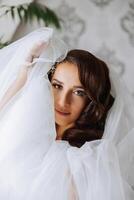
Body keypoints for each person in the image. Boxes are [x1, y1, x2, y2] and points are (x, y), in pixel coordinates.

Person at [0, 27, 133, 200]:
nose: (63, 102)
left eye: (79, 92)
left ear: (91, 101)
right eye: (57, 86)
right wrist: (23, 77)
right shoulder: (25, 136)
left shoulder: (86, 160)